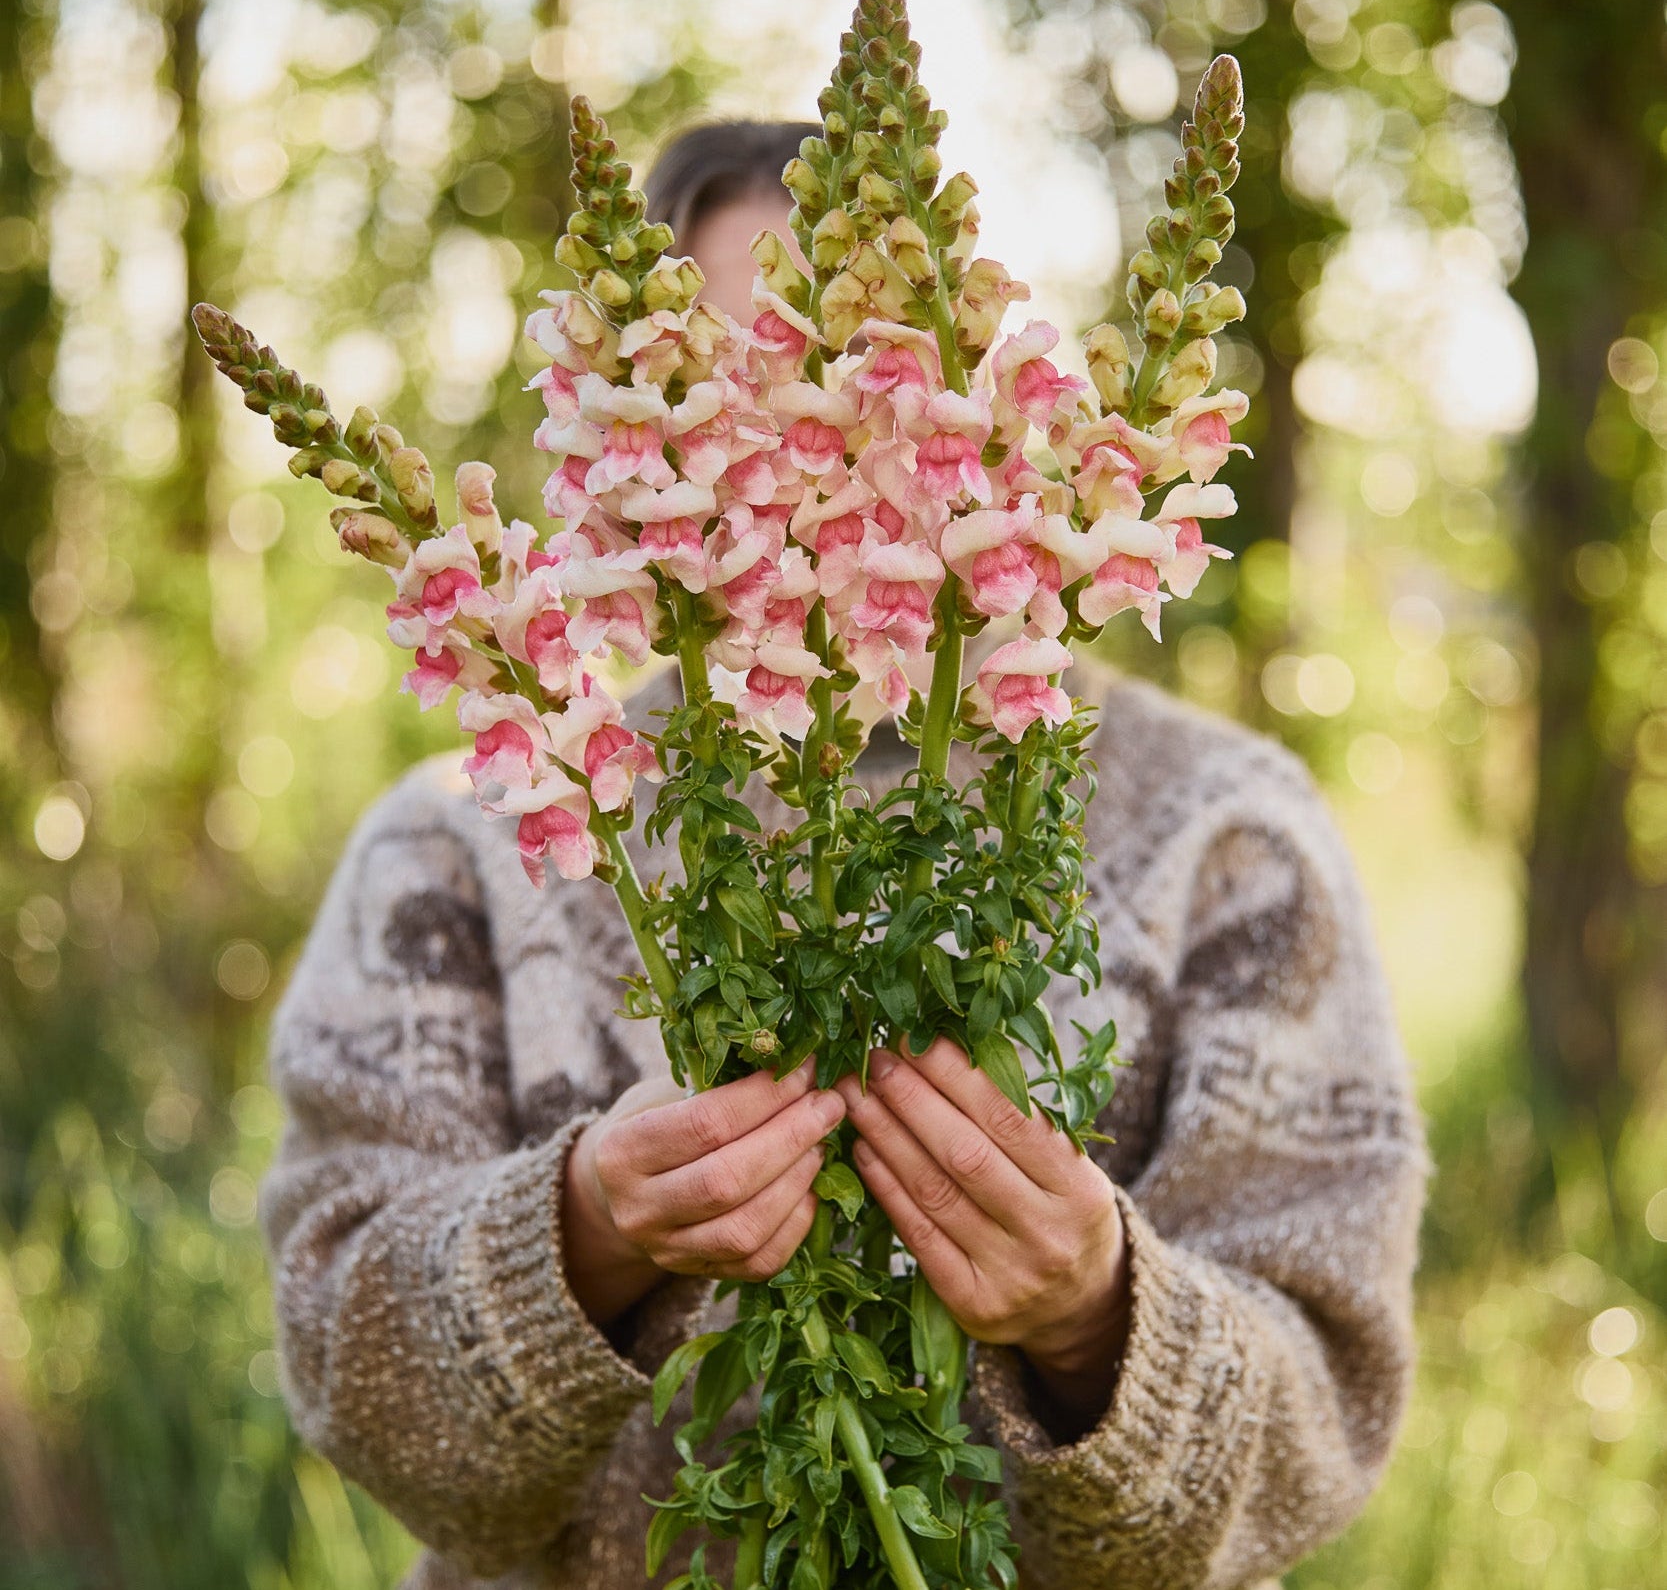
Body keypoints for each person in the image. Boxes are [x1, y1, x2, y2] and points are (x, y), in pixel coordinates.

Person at [259, 120, 1429, 1590]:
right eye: (744, 387)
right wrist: (578, 1239)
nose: (808, 436)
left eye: (861, 372)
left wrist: (1098, 1320)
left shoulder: (1227, 833)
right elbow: (345, 1367)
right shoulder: (454, 844)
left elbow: (1329, 1406)